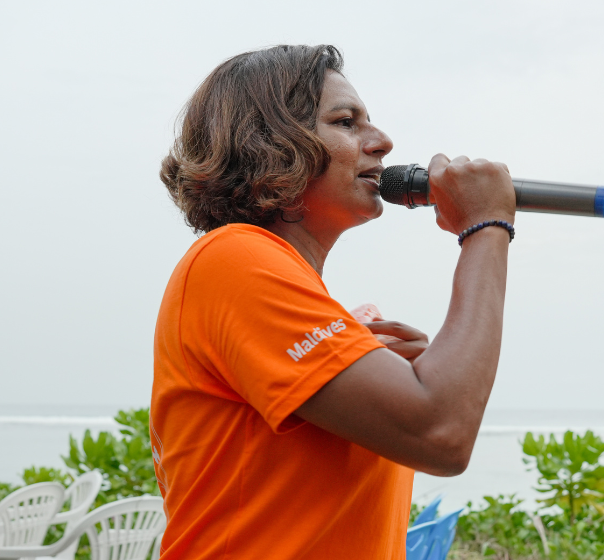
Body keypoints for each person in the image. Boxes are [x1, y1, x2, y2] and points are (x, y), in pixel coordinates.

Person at [152, 44, 517, 560]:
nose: (383, 141)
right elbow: (441, 432)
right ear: (270, 144)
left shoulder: (279, 283)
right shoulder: (231, 258)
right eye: (347, 122)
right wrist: (486, 228)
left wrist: (407, 376)